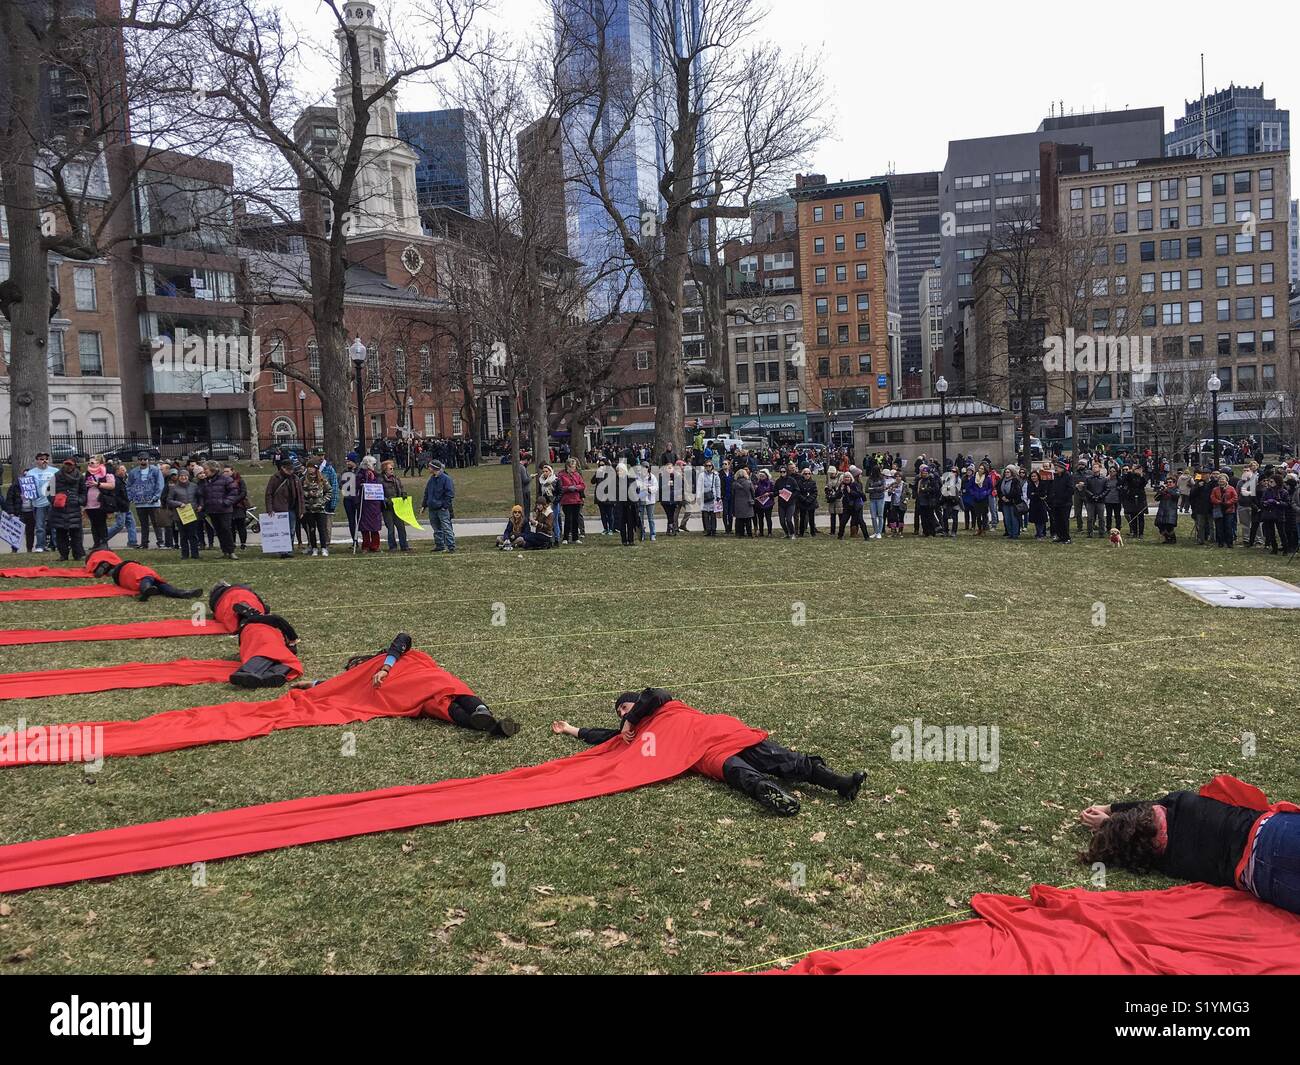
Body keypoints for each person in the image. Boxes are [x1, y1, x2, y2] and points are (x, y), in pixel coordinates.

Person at [551, 688, 865, 817]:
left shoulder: (658, 703)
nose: (622, 712)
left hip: (718, 731)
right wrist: (571, 729)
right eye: (619, 712)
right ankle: (767, 792)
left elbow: (654, 693)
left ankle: (840, 783)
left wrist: (631, 718)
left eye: (625, 706)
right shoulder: (630, 733)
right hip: (696, 754)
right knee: (736, 772)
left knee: (782, 758)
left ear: (635, 703)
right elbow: (603, 738)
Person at [1078, 779, 1300, 916]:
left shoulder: (1168, 862)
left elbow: (1133, 834)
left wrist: (1109, 826)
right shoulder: (1181, 802)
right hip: (1271, 833)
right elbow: (1150, 805)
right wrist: (1109, 810)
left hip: (1263, 880)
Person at [290, 633, 520, 738]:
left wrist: (385, 667)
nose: (357, 666)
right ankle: (487, 722)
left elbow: (403, 637)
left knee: (444, 692)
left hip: (420, 679)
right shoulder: (360, 674)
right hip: (416, 692)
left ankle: (481, 716)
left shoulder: (392, 656)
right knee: (441, 698)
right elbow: (341, 687)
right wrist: (313, 684)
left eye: (358, 663)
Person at [267, 457, 307, 558]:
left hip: (292, 508)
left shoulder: (295, 478)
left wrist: (301, 509)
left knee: (291, 530)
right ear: (283, 468)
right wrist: (270, 509)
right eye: (288, 469)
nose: (291, 471)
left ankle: (288, 549)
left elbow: (300, 495)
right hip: (279, 508)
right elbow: (269, 494)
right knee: (281, 531)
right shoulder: (275, 478)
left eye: (292, 469)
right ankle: (282, 550)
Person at [50, 458, 87, 561]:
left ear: (74, 465)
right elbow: (50, 491)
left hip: (74, 508)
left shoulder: (80, 477)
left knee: (76, 534)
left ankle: (78, 554)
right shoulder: (56, 476)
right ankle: (63, 555)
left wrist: (79, 500)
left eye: (70, 465)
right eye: (66, 464)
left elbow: (83, 492)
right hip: (59, 509)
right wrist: (54, 500)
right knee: (61, 534)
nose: (68, 466)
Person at [127, 453, 165, 549]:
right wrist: (130, 497)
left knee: (156, 523)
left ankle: (160, 542)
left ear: (148, 460)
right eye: (141, 459)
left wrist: (156, 496)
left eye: (145, 459)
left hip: (153, 502)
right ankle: (144, 543)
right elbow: (129, 486)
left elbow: (160, 484)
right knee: (144, 524)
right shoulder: (133, 472)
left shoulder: (155, 470)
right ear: (138, 461)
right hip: (140, 503)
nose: (143, 461)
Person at [166, 468, 202, 559]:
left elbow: (199, 497)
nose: (183, 477)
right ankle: (184, 554)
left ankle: (195, 554)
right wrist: (179, 504)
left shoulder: (194, 486)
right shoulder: (174, 488)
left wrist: (200, 505)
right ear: (178, 477)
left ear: (188, 476)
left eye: (185, 475)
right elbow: (169, 500)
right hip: (180, 515)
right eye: (181, 476)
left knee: (193, 535)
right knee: (183, 536)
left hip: (192, 513)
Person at [421, 458, 456, 553]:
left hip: (442, 508)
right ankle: (439, 545)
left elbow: (449, 494)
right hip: (432, 508)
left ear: (434, 468)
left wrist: (445, 506)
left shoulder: (446, 479)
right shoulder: (431, 479)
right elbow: (427, 492)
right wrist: (424, 505)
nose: (428, 468)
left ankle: (451, 545)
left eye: (430, 467)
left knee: (446, 527)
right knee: (436, 529)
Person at [82, 455, 115, 550]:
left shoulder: (105, 473)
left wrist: (98, 484)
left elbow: (112, 485)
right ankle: (96, 543)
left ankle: (104, 543)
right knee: (94, 524)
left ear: (99, 463)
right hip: (89, 503)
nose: (90, 464)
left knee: (101, 523)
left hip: (101, 502)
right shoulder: (87, 474)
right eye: (89, 463)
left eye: (92, 463)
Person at [301, 460, 333, 557]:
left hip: (320, 509)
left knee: (322, 529)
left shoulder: (322, 480)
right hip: (309, 509)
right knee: (311, 529)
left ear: (316, 469)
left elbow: (329, 491)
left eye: (312, 467)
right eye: (309, 467)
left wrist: (323, 501)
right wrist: (306, 495)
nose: (310, 469)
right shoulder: (303, 480)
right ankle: (314, 547)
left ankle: (324, 548)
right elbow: (300, 492)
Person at [378, 458, 409, 553]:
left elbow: (401, 488)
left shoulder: (396, 479)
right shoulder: (380, 480)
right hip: (387, 508)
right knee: (390, 528)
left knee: (401, 527)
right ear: (385, 470)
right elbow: (379, 494)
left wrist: (403, 494)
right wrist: (387, 501)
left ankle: (404, 546)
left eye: (392, 468)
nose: (392, 470)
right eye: (390, 469)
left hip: (398, 506)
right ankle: (392, 546)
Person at [1210, 472, 1238, 549]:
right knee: (1219, 527)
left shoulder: (1231, 488)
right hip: (1219, 509)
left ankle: (1229, 542)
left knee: (1228, 526)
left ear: (1226, 480)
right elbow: (1212, 497)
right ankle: (1220, 542)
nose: (1221, 481)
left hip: (1229, 510)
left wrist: (1227, 503)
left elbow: (1235, 497)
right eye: (1220, 479)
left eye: (1223, 479)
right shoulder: (1215, 489)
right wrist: (1219, 502)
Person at [1154, 476, 1180, 544]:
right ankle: (1166, 538)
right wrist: (1160, 492)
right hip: (1162, 510)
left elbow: (1176, 496)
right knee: (1160, 524)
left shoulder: (1176, 489)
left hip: (1171, 510)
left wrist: (1167, 490)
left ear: (1174, 483)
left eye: (1170, 482)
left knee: (1169, 526)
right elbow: (1156, 498)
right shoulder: (1163, 490)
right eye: (1167, 482)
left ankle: (1172, 539)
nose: (1168, 484)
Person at [732, 467, 755, 538]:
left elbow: (733, 494)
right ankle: (749, 533)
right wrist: (752, 499)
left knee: (739, 519)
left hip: (738, 503)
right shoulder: (749, 482)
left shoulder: (734, 484)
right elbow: (753, 492)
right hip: (748, 502)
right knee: (748, 520)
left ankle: (740, 533)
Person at [795, 467, 818, 537]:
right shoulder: (799, 483)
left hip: (811, 503)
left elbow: (815, 493)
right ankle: (801, 532)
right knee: (802, 518)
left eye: (809, 473)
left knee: (811, 519)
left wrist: (809, 500)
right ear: (803, 474)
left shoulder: (813, 482)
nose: (807, 475)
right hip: (803, 502)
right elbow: (798, 493)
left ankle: (813, 532)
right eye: (805, 474)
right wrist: (804, 499)